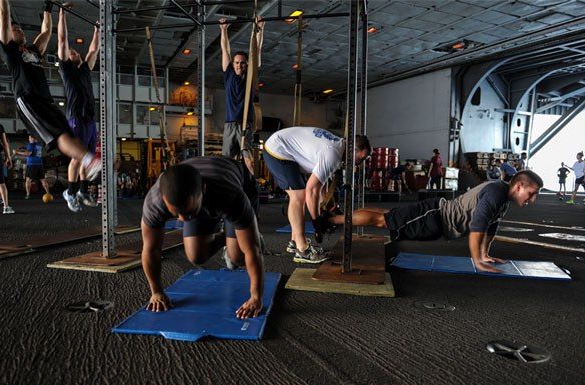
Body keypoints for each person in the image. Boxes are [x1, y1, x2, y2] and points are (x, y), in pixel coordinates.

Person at [330, 170, 544, 273]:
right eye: (531, 193)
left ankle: (334, 217)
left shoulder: (502, 199)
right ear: (519, 186)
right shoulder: (497, 192)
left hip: (436, 218)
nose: (532, 200)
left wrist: (485, 254)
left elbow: (490, 228)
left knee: (388, 215)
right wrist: (477, 260)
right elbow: (478, 226)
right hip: (434, 216)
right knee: (383, 221)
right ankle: (332, 220)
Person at [141, 157, 263, 319]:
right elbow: (151, 249)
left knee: (238, 257)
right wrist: (156, 291)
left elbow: (252, 251)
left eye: (187, 212)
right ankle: (228, 237)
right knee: (197, 256)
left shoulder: (230, 194)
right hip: (201, 200)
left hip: (237, 184)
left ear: (203, 190)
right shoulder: (154, 203)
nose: (182, 220)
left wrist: (256, 297)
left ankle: (248, 235)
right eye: (175, 214)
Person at [0, 0, 101, 186]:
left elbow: (46, 32)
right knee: (59, 134)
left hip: (45, 100)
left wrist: (48, 8)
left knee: (67, 133)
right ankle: (88, 162)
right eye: (15, 28)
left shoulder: (34, 51)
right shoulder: (9, 50)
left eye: (20, 27)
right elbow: (4, 14)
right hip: (27, 100)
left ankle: (87, 163)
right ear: (8, 34)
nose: (19, 29)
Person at [262, 127, 371, 263]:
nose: (360, 163)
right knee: (298, 195)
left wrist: (325, 209)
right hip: (277, 150)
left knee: (299, 195)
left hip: (284, 148)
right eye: (361, 158)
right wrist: (316, 221)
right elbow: (312, 190)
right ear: (352, 150)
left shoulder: (338, 146)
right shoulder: (333, 154)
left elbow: (321, 186)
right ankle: (302, 250)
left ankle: (295, 242)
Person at [57, 4, 99, 212]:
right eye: (71, 52)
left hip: (90, 119)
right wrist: (62, 13)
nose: (73, 52)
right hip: (75, 117)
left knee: (87, 159)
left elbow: (93, 49)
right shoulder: (67, 69)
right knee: (77, 157)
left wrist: (97, 30)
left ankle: (82, 190)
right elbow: (62, 40)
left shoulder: (85, 69)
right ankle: (70, 192)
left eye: (75, 52)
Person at [219, 17, 265, 173]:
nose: (239, 65)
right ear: (233, 64)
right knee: (227, 161)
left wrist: (260, 29)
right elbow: (225, 49)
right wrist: (223, 30)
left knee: (249, 161)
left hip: (246, 124)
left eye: (242, 63)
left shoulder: (251, 75)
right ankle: (229, 186)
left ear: (246, 64)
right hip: (230, 124)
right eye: (237, 62)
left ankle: (251, 187)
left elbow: (257, 50)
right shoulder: (229, 74)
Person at [13, 135, 52, 199]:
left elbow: (28, 154)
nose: (29, 139)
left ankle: (28, 195)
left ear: (33, 138)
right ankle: (48, 193)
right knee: (43, 180)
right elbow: (32, 152)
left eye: (30, 138)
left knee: (28, 180)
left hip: (32, 165)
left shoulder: (31, 145)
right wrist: (24, 149)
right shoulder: (39, 145)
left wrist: (17, 152)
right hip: (39, 164)